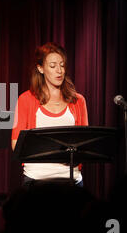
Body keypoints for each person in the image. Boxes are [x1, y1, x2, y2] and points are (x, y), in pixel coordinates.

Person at [11, 42, 88, 186]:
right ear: (40, 68)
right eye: (53, 66)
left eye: (62, 65)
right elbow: (16, 144)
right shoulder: (25, 99)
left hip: (72, 180)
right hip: (37, 180)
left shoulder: (78, 101)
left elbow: (85, 143)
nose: (59, 70)